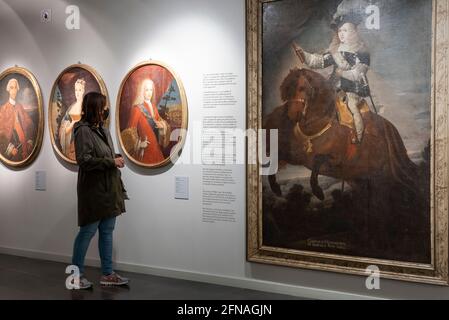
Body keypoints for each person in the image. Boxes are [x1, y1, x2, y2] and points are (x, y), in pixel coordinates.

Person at [71, 92, 129, 289]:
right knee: (87, 232)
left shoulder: (102, 130)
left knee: (107, 231)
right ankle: (75, 277)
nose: (105, 109)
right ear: (94, 107)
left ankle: (108, 274)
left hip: (109, 189)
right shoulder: (82, 130)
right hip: (94, 191)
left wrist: (114, 157)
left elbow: (103, 155)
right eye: (103, 106)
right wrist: (111, 161)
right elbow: (84, 160)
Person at [293, 13, 370, 143]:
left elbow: (357, 74)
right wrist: (303, 54)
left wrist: (342, 74)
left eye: (345, 30)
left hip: (352, 90)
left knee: (352, 107)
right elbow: (318, 61)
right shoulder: (336, 51)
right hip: (334, 88)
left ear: (354, 31)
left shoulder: (362, 52)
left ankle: (358, 137)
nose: (341, 33)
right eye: (339, 30)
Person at [126, 78, 170, 164]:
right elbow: (130, 131)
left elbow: (159, 124)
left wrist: (162, 126)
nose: (149, 92)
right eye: (146, 90)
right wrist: (139, 144)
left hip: (156, 148)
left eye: (151, 90)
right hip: (145, 150)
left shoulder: (153, 107)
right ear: (142, 91)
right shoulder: (137, 109)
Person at [0, 78, 35, 161]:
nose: (14, 90)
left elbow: (30, 124)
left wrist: (30, 141)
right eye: (11, 88)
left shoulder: (20, 107)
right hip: (14, 149)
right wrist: (9, 148)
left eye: (15, 88)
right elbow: (1, 131)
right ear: (8, 90)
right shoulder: (3, 109)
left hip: (25, 146)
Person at [59, 78, 86, 160]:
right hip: (70, 142)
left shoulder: (85, 107)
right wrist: (72, 123)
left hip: (83, 141)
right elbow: (64, 129)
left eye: (80, 90)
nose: (77, 93)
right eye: (76, 90)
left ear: (83, 91)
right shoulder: (71, 108)